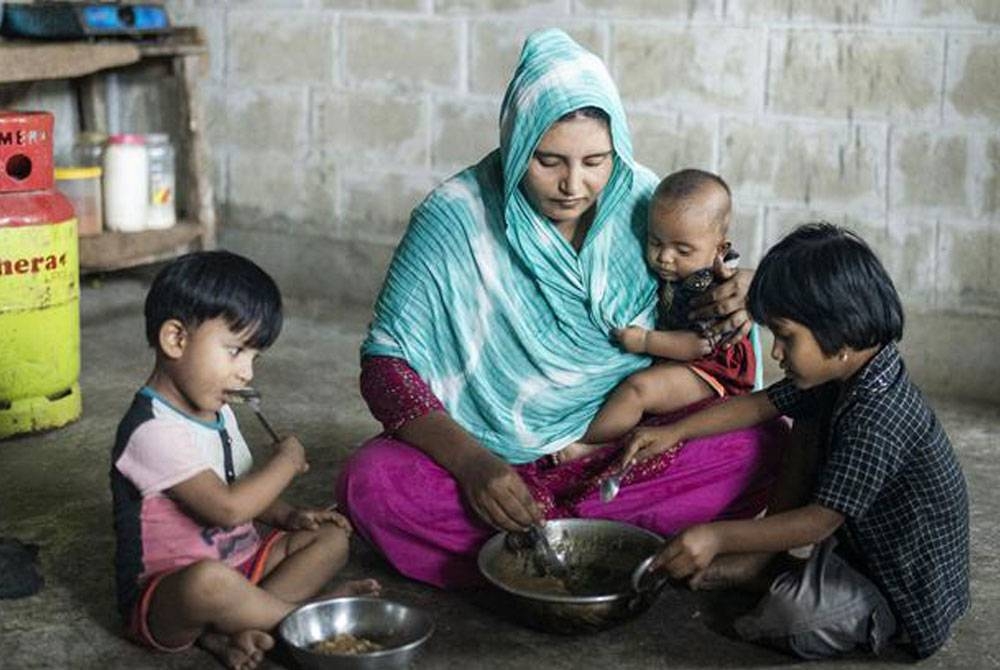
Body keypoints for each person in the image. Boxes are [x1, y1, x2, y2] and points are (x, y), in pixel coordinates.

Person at [337, 29, 787, 589]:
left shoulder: (645, 202)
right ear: (516, 141)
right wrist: (474, 466)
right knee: (372, 481)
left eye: (596, 161)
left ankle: (527, 549)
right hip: (488, 453)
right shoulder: (456, 217)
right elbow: (386, 364)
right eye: (547, 161)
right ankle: (615, 548)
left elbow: (707, 301)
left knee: (760, 445)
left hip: (618, 449)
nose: (574, 185)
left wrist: (739, 289)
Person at [621, 223, 969, 659]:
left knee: (787, 617)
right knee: (804, 413)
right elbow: (761, 404)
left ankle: (815, 592)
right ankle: (767, 565)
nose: (776, 353)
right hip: (858, 548)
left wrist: (716, 537)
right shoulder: (843, 369)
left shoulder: (878, 414)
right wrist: (675, 430)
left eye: (785, 336)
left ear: (840, 333)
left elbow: (818, 522)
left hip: (898, 586)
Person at [110, 251, 379, 670]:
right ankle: (298, 622)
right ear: (176, 339)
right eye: (235, 351)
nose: (247, 373)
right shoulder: (152, 430)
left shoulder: (220, 413)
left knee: (331, 539)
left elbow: (238, 485)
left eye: (254, 357)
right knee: (207, 582)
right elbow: (227, 507)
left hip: (242, 564)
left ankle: (237, 627)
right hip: (169, 598)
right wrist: (286, 463)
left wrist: (290, 515)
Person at [563, 168, 755, 456]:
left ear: (720, 248)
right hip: (683, 361)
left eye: (683, 250)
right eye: (655, 243)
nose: (665, 257)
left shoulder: (711, 289)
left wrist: (644, 342)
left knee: (638, 390)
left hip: (714, 371)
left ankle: (590, 448)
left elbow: (700, 345)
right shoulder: (675, 274)